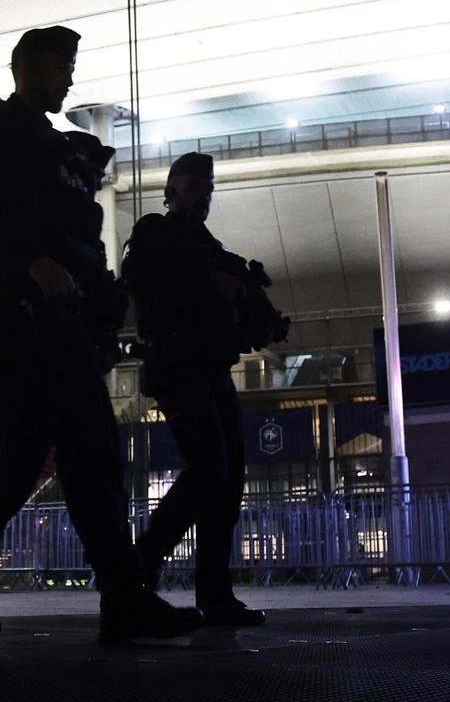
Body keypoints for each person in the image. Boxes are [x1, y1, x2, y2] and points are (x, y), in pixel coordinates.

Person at [0, 26, 202, 644]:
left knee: (87, 455)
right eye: (60, 66)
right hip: (7, 314)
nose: (69, 78)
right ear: (26, 69)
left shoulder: (64, 150)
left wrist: (99, 305)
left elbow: (77, 240)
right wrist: (23, 261)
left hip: (62, 327)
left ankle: (121, 597)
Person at [121, 151, 280, 627]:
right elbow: (145, 276)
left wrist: (258, 313)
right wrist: (213, 283)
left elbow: (247, 299)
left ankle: (214, 591)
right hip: (176, 364)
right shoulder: (155, 232)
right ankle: (143, 561)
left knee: (227, 478)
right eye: (194, 187)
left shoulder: (213, 249)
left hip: (210, 368)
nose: (203, 196)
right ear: (172, 190)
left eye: (208, 188)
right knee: (211, 469)